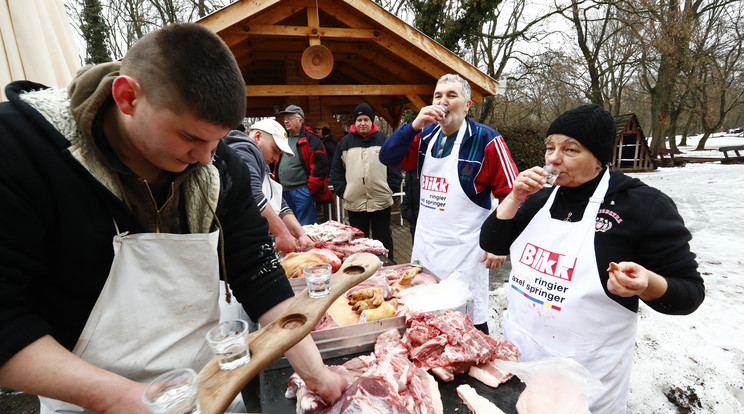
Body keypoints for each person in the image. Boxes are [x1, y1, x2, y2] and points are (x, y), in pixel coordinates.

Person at [0, 23, 346, 413]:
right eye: (190, 138)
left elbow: (257, 273)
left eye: (216, 140)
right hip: (85, 400)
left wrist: (318, 376)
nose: (205, 157)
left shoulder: (217, 166)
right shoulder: (20, 152)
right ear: (127, 96)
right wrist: (122, 399)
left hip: (203, 387)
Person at [479, 104, 705, 413]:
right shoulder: (539, 198)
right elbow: (492, 241)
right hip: (522, 362)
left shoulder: (643, 206)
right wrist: (514, 197)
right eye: (550, 148)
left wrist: (646, 283)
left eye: (570, 150)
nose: (553, 158)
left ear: (598, 160)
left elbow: (689, 293)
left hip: (586, 379)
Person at [379, 74, 519, 333]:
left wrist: (500, 243)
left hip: (464, 252)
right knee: (426, 321)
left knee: (466, 325)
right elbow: (388, 157)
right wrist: (412, 126)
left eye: (452, 95)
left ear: (467, 105)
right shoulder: (425, 136)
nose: (443, 101)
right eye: (438, 96)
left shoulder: (487, 141)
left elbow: (513, 195)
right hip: (426, 246)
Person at [224, 119, 314, 255]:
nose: (277, 158)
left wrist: (301, 234)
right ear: (257, 137)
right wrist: (282, 232)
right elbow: (251, 193)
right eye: (275, 150)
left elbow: (279, 204)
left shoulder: (263, 165)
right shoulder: (244, 149)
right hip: (235, 246)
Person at [330, 103, 402, 262]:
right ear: (354, 122)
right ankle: (362, 267)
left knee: (383, 238)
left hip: (381, 201)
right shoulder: (344, 143)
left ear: (372, 121)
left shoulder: (384, 139)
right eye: (359, 120)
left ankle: (386, 265)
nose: (362, 123)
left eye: (366, 119)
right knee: (359, 241)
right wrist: (345, 192)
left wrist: (389, 189)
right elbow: (336, 172)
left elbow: (395, 167)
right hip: (355, 203)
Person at [274, 104, 333, 225]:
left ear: (300, 120)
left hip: (302, 192)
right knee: (287, 227)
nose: (286, 121)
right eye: (285, 119)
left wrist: (309, 191)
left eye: (289, 118)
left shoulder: (311, 139)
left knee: (305, 229)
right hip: (284, 192)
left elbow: (320, 168)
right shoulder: (282, 138)